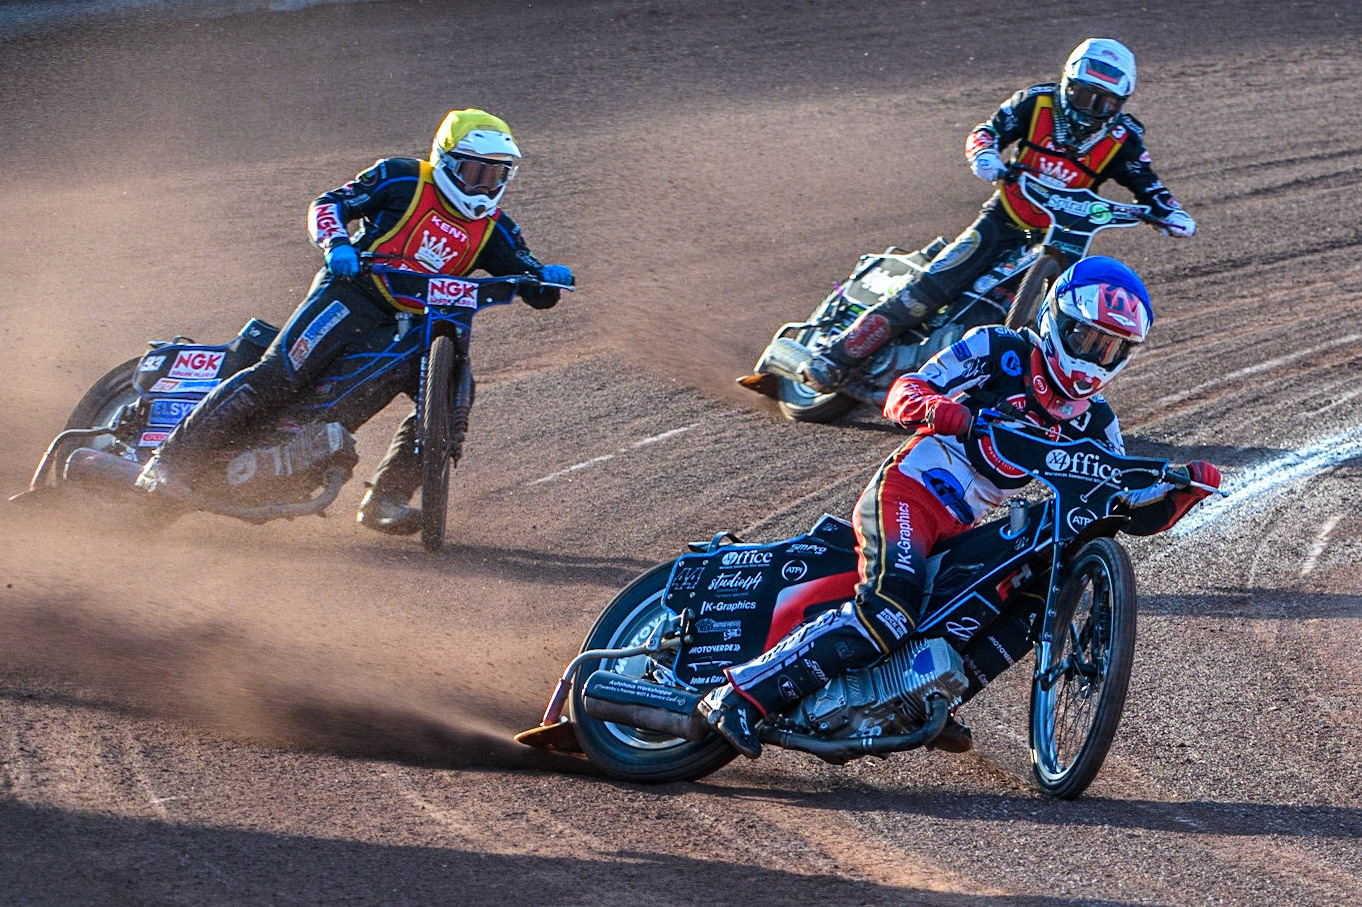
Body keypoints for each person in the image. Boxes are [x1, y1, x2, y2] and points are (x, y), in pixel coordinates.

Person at [698, 256, 1221, 758]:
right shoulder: (997, 348)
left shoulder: (1097, 423)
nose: (1093, 354)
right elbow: (904, 392)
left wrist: (1183, 494)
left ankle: (931, 695)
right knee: (888, 611)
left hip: (960, 527)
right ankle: (740, 697)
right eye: (1085, 336)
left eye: (1110, 347)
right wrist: (936, 409)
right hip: (908, 493)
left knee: (1037, 594)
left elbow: (1118, 509)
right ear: (1055, 317)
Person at [137, 108, 574, 534]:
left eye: (497, 175)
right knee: (279, 374)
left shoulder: (496, 229)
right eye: (476, 172)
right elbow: (329, 204)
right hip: (351, 293)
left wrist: (546, 279)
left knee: (451, 398)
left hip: (410, 325)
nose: (486, 185)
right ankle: (169, 461)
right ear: (445, 160)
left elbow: (527, 274)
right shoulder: (401, 177)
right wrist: (336, 244)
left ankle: (386, 499)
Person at [800, 37, 1197, 393]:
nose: (1093, 111)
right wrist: (985, 155)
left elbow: (1147, 182)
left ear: (1120, 104)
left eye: (1106, 102)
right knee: (929, 290)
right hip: (1002, 219)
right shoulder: (1035, 101)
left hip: (1061, 238)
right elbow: (986, 131)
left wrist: (1169, 211)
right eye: (1084, 97)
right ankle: (833, 359)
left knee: (1064, 321)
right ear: (1066, 86)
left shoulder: (1123, 138)